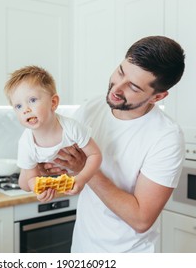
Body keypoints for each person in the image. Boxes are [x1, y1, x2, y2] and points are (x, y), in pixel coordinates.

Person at [41, 36, 186, 252]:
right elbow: (69, 162)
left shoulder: (166, 138)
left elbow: (141, 219)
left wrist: (85, 169)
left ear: (158, 96)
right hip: (82, 248)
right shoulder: (93, 107)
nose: (117, 89)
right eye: (120, 72)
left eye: (134, 87)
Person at [4, 65, 102, 202]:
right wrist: (39, 190)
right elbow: (31, 179)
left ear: (53, 102)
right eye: (18, 106)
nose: (25, 109)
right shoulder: (26, 142)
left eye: (32, 100)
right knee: (24, 184)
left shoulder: (71, 128)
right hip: (44, 175)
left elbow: (95, 155)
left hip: (82, 186)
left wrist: (82, 178)